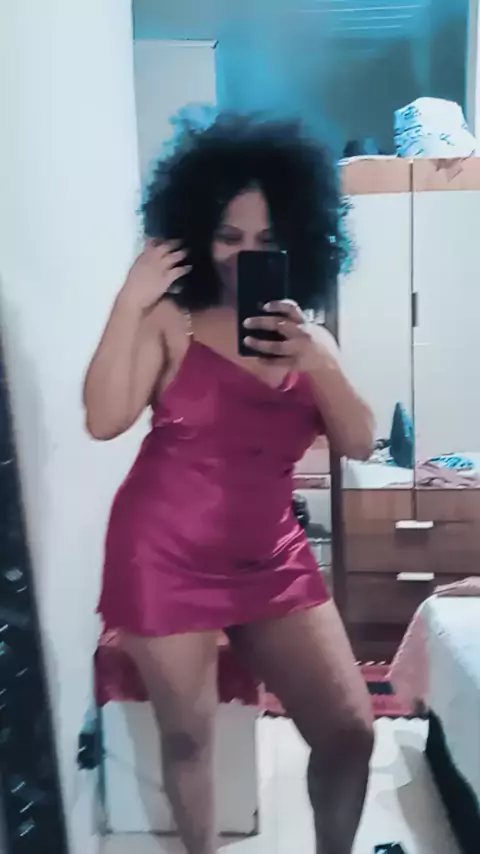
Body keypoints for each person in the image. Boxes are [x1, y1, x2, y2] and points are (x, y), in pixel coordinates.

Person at [84, 115, 375, 854]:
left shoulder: (310, 340)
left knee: (350, 732)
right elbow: (104, 420)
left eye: (267, 240)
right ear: (196, 234)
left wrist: (320, 363)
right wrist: (129, 301)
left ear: (298, 239)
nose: (247, 255)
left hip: (272, 553)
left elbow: (359, 442)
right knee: (188, 738)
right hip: (164, 554)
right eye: (229, 236)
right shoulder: (169, 321)